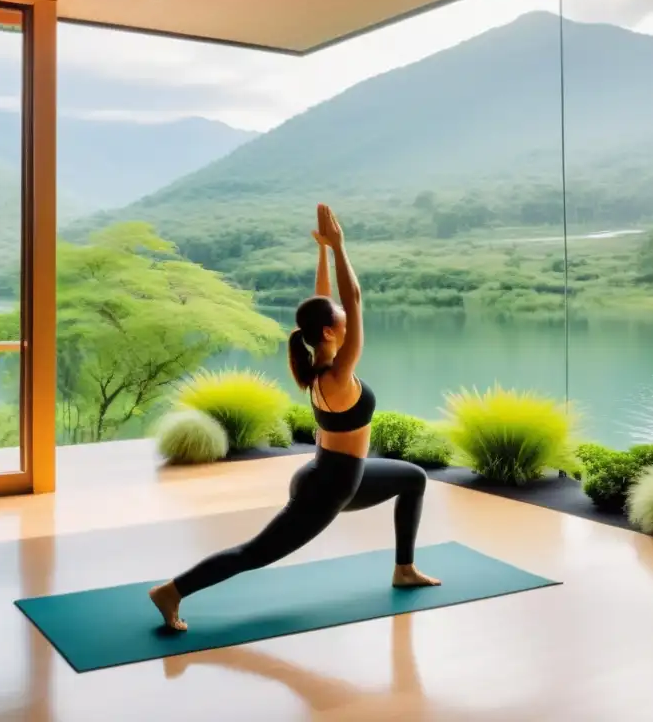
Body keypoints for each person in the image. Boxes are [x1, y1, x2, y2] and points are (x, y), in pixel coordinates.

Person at [149, 204, 440, 631]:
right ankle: (170, 592)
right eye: (338, 319)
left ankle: (404, 569)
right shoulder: (337, 376)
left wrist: (322, 252)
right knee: (255, 554)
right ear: (328, 332)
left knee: (413, 478)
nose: (345, 317)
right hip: (328, 488)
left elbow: (329, 300)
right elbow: (353, 299)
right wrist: (340, 248)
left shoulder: (321, 368)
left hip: (335, 475)